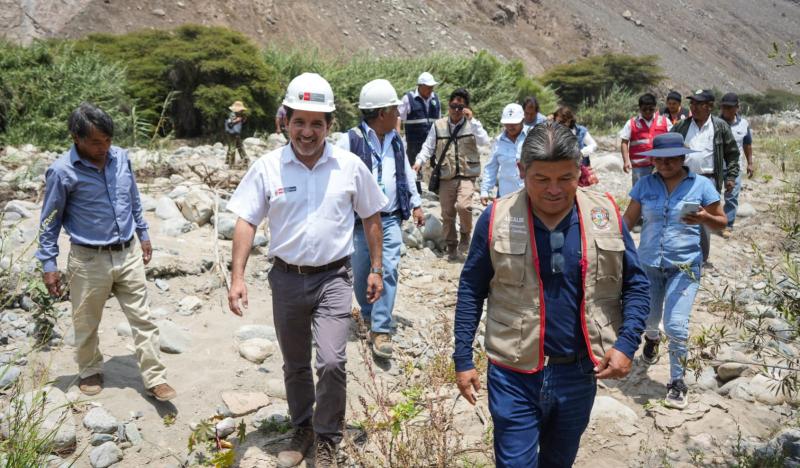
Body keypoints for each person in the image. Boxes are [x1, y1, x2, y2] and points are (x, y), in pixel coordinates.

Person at [454, 121, 650, 467]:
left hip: (577, 375)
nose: (555, 190)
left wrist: (625, 345)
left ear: (580, 171)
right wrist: (463, 358)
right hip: (512, 373)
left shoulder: (604, 215)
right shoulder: (496, 218)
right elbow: (472, 288)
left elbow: (635, 284)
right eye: (541, 179)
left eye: (566, 178)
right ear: (521, 171)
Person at [226, 73, 388, 468]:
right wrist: (237, 277)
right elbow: (246, 221)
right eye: (299, 121)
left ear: (329, 125)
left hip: (334, 277)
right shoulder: (268, 168)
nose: (307, 131)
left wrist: (377, 269)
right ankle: (303, 426)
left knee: (332, 361)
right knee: (294, 362)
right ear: (286, 122)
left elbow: (371, 216)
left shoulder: (349, 166)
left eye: (317, 122)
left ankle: (329, 437)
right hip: (285, 278)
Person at [36, 103, 176, 401]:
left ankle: (155, 378)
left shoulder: (121, 158)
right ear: (76, 137)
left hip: (128, 253)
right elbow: (49, 221)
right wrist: (48, 264)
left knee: (144, 318)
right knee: (86, 321)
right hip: (88, 259)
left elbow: (133, 198)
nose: (104, 147)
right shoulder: (61, 172)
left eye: (108, 140)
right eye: (96, 142)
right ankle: (89, 369)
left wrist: (144, 232)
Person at [622, 133, 727, 409]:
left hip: (684, 267)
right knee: (649, 319)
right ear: (653, 160)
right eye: (659, 159)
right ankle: (652, 340)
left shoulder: (702, 185)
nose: (665, 164)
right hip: (648, 266)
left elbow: (722, 223)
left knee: (676, 324)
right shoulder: (645, 184)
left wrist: (704, 217)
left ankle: (677, 381)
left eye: (671, 158)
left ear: (682, 158)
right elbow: (627, 222)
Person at [337, 79, 425, 360]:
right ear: (381, 113)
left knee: (387, 268)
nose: (399, 114)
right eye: (394, 110)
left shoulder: (396, 140)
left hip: (389, 219)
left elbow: (406, 174)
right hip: (360, 221)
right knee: (363, 271)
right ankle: (367, 315)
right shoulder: (349, 140)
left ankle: (382, 328)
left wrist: (417, 203)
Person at [412, 88, 490, 260]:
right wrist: (418, 162)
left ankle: (465, 236)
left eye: (460, 107)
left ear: (466, 108)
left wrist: (473, 120)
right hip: (446, 175)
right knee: (447, 213)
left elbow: (485, 141)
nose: (456, 110)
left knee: (464, 206)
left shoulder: (472, 124)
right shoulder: (438, 125)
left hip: (467, 175)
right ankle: (451, 245)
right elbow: (428, 146)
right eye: (453, 106)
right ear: (449, 105)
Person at [670, 89, 740, 265]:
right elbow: (669, 148)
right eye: (692, 104)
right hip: (684, 179)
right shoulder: (682, 126)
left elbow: (732, 154)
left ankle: (701, 258)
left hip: (708, 181)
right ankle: (682, 255)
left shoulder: (720, 127)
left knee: (702, 220)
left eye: (699, 104)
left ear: (709, 107)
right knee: (682, 216)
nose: (694, 107)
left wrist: (731, 177)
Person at [398, 72, 441, 194]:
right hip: (414, 139)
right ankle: (415, 190)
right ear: (420, 86)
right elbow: (398, 117)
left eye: (432, 87)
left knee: (437, 162)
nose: (430, 89)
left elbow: (439, 119)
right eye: (428, 87)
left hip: (432, 139)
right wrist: (397, 134)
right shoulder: (408, 99)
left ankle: (437, 188)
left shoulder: (435, 99)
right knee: (414, 164)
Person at [718, 92, 754, 238]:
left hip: (736, 167)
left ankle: (727, 225)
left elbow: (747, 144)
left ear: (737, 108)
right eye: (724, 107)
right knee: (712, 195)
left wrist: (750, 163)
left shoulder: (744, 124)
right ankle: (711, 222)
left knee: (731, 197)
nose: (726, 110)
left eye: (729, 107)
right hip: (716, 167)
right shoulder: (714, 122)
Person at [619, 93, 671, 187]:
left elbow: (672, 140)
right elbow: (624, 142)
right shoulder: (632, 123)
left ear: (655, 108)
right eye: (644, 109)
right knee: (640, 192)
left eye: (651, 109)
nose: (647, 112)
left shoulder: (664, 121)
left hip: (661, 164)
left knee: (662, 189)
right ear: (639, 108)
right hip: (639, 166)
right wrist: (626, 161)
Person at [480, 103, 526, 206]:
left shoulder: (532, 138)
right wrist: (485, 191)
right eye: (507, 123)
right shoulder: (498, 141)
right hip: (505, 196)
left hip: (529, 195)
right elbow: (491, 167)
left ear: (523, 120)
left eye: (514, 123)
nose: (510, 126)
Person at [224, 100, 249, 167]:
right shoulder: (232, 114)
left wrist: (243, 119)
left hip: (236, 133)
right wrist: (237, 120)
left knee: (239, 146)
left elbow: (242, 122)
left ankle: (244, 160)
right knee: (232, 148)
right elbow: (230, 123)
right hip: (232, 133)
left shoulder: (240, 115)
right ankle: (231, 163)